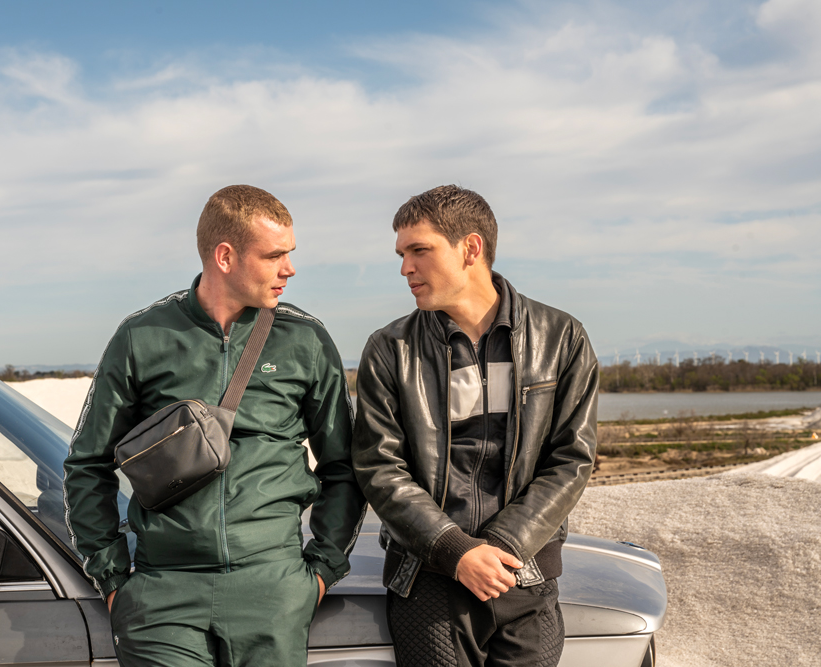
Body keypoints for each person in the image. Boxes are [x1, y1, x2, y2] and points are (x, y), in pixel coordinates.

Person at [64, 184, 367, 667]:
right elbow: (87, 464)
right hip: (162, 596)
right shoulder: (142, 336)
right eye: (274, 256)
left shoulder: (305, 340)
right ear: (225, 256)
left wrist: (319, 572)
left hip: (272, 589)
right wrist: (115, 580)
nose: (289, 269)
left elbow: (344, 465)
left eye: (289, 254)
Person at [352, 185, 598, 667]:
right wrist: (457, 551)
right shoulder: (389, 349)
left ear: (470, 248)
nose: (405, 268)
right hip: (428, 581)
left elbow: (572, 459)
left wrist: (500, 548)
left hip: (525, 575)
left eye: (419, 250)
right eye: (402, 255)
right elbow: (378, 466)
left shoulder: (562, 337)